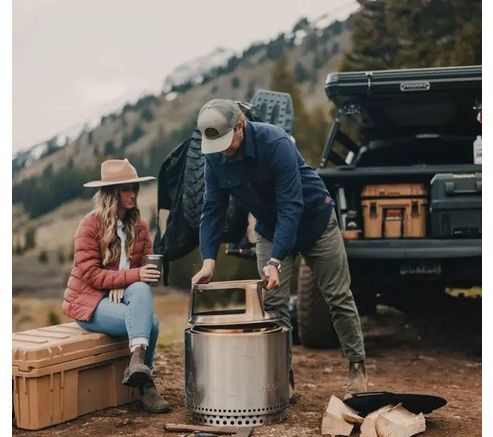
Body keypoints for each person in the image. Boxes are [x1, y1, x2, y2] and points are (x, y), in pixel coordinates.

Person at [191, 99, 368, 399]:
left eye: (225, 141)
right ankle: (283, 377)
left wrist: (275, 260)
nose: (221, 150)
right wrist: (208, 260)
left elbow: (291, 205)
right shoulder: (215, 157)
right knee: (274, 305)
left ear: (240, 126)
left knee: (337, 297)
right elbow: (212, 209)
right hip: (270, 227)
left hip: (315, 222)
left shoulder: (274, 142)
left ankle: (356, 366)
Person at [63, 158, 170, 413]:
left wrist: (146, 274)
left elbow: (143, 277)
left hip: (124, 299)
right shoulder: (90, 225)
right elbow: (91, 275)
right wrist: (130, 277)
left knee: (142, 291)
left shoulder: (140, 227)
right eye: (125, 189)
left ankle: (137, 366)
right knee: (151, 323)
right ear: (111, 193)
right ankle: (146, 386)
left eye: (134, 188)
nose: (132, 194)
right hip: (90, 303)